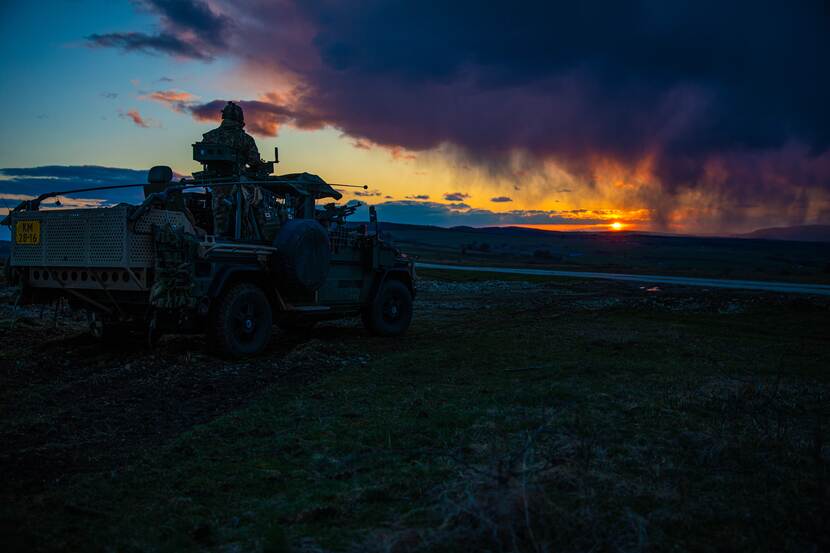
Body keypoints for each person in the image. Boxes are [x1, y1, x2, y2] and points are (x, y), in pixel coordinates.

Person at [200, 102, 269, 237]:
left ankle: (219, 240)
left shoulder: (209, 136)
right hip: (237, 185)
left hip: (216, 184)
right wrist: (260, 167)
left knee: (220, 218)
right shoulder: (245, 139)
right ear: (240, 119)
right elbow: (254, 161)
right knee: (251, 209)